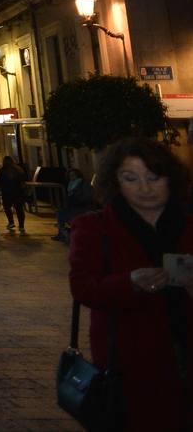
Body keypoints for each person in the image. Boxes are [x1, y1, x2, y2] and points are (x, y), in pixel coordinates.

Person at [68, 137, 193, 430]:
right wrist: (129, 283)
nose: (145, 188)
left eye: (153, 177)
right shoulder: (93, 228)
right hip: (129, 361)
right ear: (116, 183)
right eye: (131, 178)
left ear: (170, 179)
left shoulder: (188, 225)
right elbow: (83, 288)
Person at [55, 167, 97, 243]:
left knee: (63, 215)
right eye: (70, 176)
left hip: (84, 207)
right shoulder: (70, 185)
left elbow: (88, 197)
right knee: (60, 213)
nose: (72, 177)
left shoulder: (83, 184)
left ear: (78, 175)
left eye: (73, 175)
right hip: (74, 207)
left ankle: (64, 233)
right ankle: (62, 233)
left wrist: (75, 198)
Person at [0, 155, 28, 234]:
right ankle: (21, 226)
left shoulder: (2, 170)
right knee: (19, 209)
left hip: (7, 192)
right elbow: (23, 180)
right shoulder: (19, 169)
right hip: (18, 192)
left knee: (7, 207)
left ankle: (11, 222)